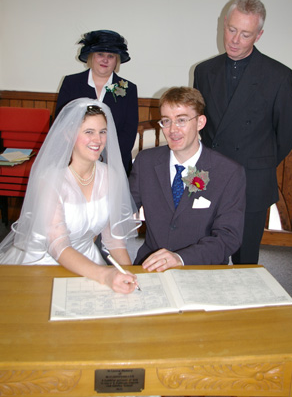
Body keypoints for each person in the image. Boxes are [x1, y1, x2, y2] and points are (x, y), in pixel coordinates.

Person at [194, 0, 292, 264]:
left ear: (259, 35)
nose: (234, 40)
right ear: (224, 22)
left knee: (245, 260)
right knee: (207, 252)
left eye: (245, 34)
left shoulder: (279, 76)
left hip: (252, 179)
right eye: (231, 30)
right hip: (209, 175)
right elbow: (200, 124)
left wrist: (258, 162)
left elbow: (287, 132)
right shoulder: (204, 71)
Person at [0, 98, 141, 294]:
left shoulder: (111, 176)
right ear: (68, 135)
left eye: (102, 132)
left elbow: (113, 240)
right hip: (44, 262)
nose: (98, 140)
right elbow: (58, 245)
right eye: (88, 132)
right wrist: (105, 275)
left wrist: (132, 274)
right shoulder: (50, 180)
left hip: (88, 261)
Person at [129, 86, 246, 271]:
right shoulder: (145, 162)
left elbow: (228, 237)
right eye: (166, 121)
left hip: (202, 268)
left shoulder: (228, 172)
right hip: (150, 264)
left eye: (181, 120)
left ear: (200, 122)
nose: (172, 130)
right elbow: (123, 209)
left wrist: (180, 258)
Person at [55, 29, 138, 175]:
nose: (105, 60)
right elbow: (62, 124)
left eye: (111, 56)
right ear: (91, 57)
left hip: (114, 164)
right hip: (74, 161)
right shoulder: (71, 83)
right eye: (100, 54)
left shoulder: (129, 89)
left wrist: (103, 157)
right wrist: (82, 156)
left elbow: (128, 133)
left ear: (116, 60)